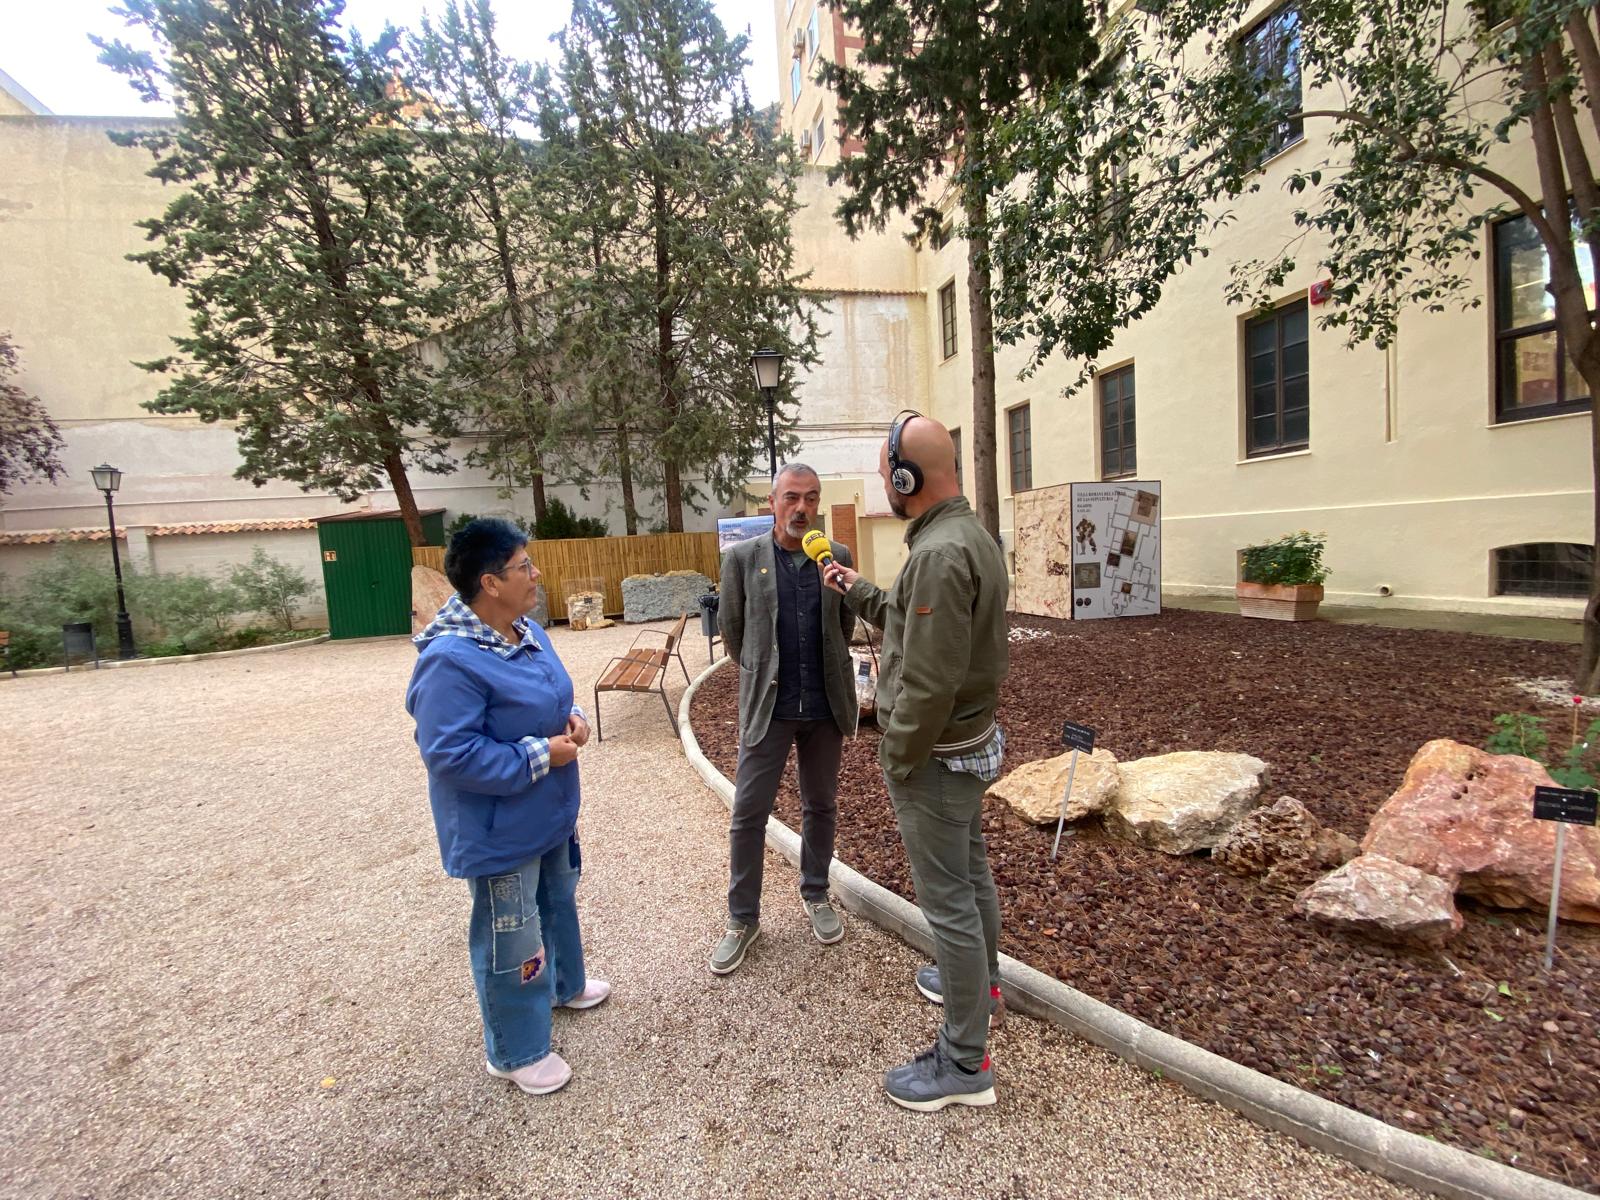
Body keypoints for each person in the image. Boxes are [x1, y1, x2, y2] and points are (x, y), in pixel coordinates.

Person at [822, 414, 1011, 1112]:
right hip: (969, 748)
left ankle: (964, 1063)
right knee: (971, 874)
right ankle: (983, 984)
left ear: (907, 477)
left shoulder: (937, 552)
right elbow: (913, 619)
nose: (883, 484)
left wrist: (895, 756)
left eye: (885, 473)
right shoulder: (967, 537)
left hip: (936, 758)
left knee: (950, 905)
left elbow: (928, 683)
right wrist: (855, 587)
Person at [405, 518, 610, 1097]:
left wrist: (572, 723)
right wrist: (542, 753)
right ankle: (515, 1050)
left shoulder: (529, 632)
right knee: (511, 934)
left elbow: (554, 699)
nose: (536, 573)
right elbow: (449, 753)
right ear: (490, 583)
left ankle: (564, 986)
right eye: (525, 565)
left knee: (556, 901)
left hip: (546, 815)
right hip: (497, 828)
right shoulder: (451, 660)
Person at [710, 463, 859, 974]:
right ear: (772, 502)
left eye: (811, 498)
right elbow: (734, 633)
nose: (802, 508)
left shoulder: (835, 557)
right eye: (792, 497)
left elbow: (845, 624)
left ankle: (815, 893)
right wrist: (764, 672)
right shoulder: (743, 560)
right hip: (768, 709)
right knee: (749, 812)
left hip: (823, 707)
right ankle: (742, 918)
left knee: (821, 806)